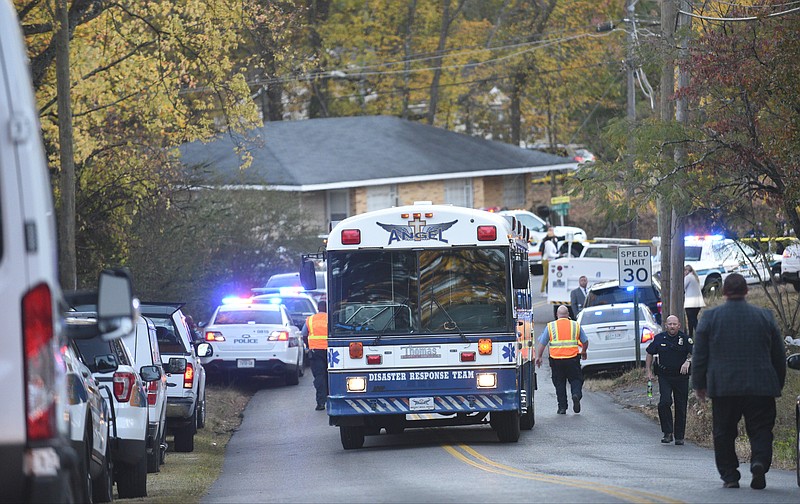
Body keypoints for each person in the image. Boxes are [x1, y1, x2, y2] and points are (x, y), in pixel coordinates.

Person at [692, 273, 786, 490]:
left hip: (724, 387)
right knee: (761, 428)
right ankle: (759, 462)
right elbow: (778, 355)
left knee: (723, 432)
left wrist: (699, 385)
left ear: (724, 292)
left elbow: (700, 355)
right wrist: (777, 383)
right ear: (747, 291)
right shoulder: (764, 316)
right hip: (761, 386)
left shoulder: (710, 317)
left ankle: (730, 475)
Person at [645, 315, 692, 445]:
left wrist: (688, 361)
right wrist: (648, 371)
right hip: (664, 375)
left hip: (681, 376)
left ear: (679, 325)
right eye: (669, 324)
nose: (672, 326)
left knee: (681, 406)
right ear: (666, 325)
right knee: (664, 402)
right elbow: (649, 352)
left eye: (674, 324)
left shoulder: (685, 339)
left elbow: (696, 353)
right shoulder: (659, 338)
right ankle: (667, 432)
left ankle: (679, 436)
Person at [535, 305, 588, 414]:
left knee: (559, 383)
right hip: (572, 359)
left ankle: (562, 407)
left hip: (556, 360)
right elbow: (585, 340)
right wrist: (583, 351)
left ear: (557, 315)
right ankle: (576, 394)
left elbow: (542, 343)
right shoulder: (575, 325)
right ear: (568, 314)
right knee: (576, 379)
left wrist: (539, 356)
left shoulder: (551, 326)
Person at [302, 300, 329, 411]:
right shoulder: (331, 318)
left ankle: (321, 403)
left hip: (315, 352)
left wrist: (309, 346)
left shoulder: (310, 319)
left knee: (319, 376)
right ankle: (331, 399)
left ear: (317, 308)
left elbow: (304, 334)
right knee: (330, 375)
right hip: (331, 352)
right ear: (326, 308)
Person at [683, 265, 705, 337]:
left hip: (691, 303)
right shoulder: (695, 277)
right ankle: (691, 335)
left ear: (687, 271)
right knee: (692, 319)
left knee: (692, 320)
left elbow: (682, 286)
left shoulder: (688, 277)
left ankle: (699, 334)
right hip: (698, 302)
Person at [540, 227, 558, 294]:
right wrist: (558, 255)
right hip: (547, 260)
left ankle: (547, 290)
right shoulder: (548, 243)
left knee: (549, 276)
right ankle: (543, 290)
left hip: (548, 259)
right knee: (546, 276)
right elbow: (549, 253)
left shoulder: (550, 241)